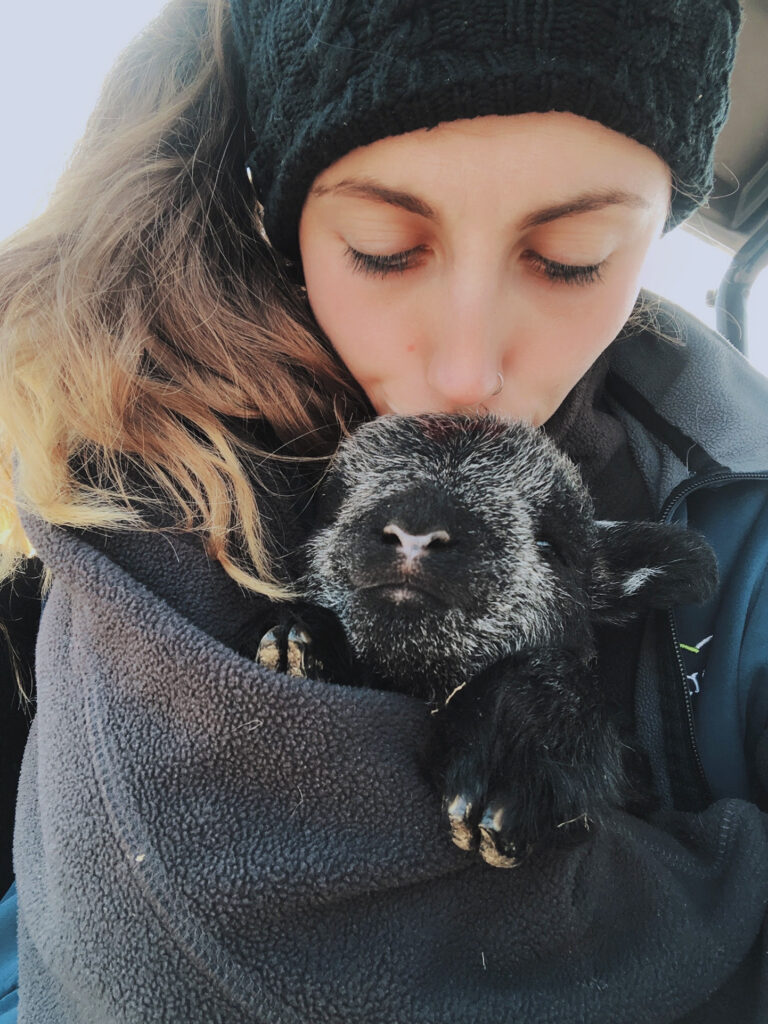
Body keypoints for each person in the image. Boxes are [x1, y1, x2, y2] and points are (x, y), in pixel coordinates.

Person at [1, 0, 767, 1020]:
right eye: (381, 246)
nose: (466, 370)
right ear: (282, 216)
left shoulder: (736, 513)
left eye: (575, 257)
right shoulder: (127, 457)